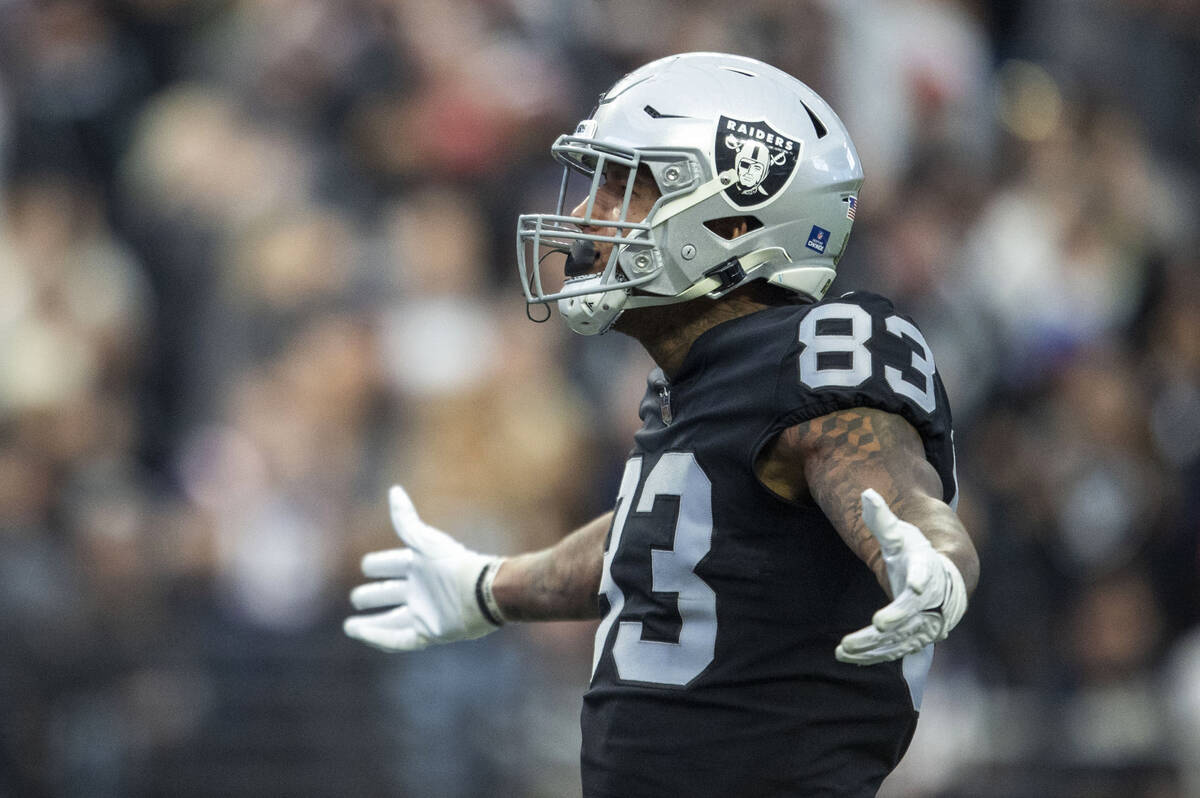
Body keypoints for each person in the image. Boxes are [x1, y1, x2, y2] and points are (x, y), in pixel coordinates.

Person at [344, 52, 980, 797]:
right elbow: (662, 540)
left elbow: (894, 495)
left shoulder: (820, 356)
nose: (586, 216)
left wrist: (935, 560)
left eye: (624, 187)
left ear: (737, 217)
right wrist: (492, 586)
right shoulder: (708, 378)